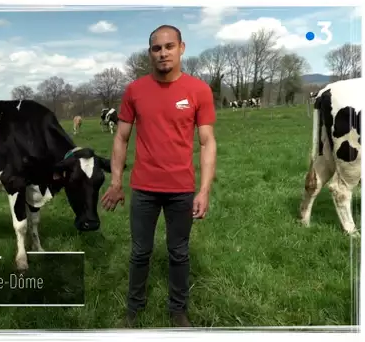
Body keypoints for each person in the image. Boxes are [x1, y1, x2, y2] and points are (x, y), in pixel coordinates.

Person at [101, 24, 217, 328]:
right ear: (150, 53)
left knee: (179, 252)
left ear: (181, 48)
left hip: (181, 189)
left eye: (169, 46)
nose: (162, 53)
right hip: (144, 189)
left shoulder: (198, 90)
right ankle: (133, 309)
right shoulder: (135, 91)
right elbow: (121, 138)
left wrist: (203, 190)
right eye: (156, 48)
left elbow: (207, 141)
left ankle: (178, 310)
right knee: (140, 252)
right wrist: (116, 182)